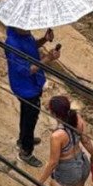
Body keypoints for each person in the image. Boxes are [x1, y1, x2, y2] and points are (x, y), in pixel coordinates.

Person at [5, 25, 62, 166]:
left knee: (27, 114)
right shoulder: (12, 44)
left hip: (32, 84)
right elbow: (28, 70)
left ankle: (24, 139)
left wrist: (44, 39)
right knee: (30, 118)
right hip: (25, 87)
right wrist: (48, 58)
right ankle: (26, 151)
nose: (28, 28)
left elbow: (30, 47)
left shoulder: (24, 33)